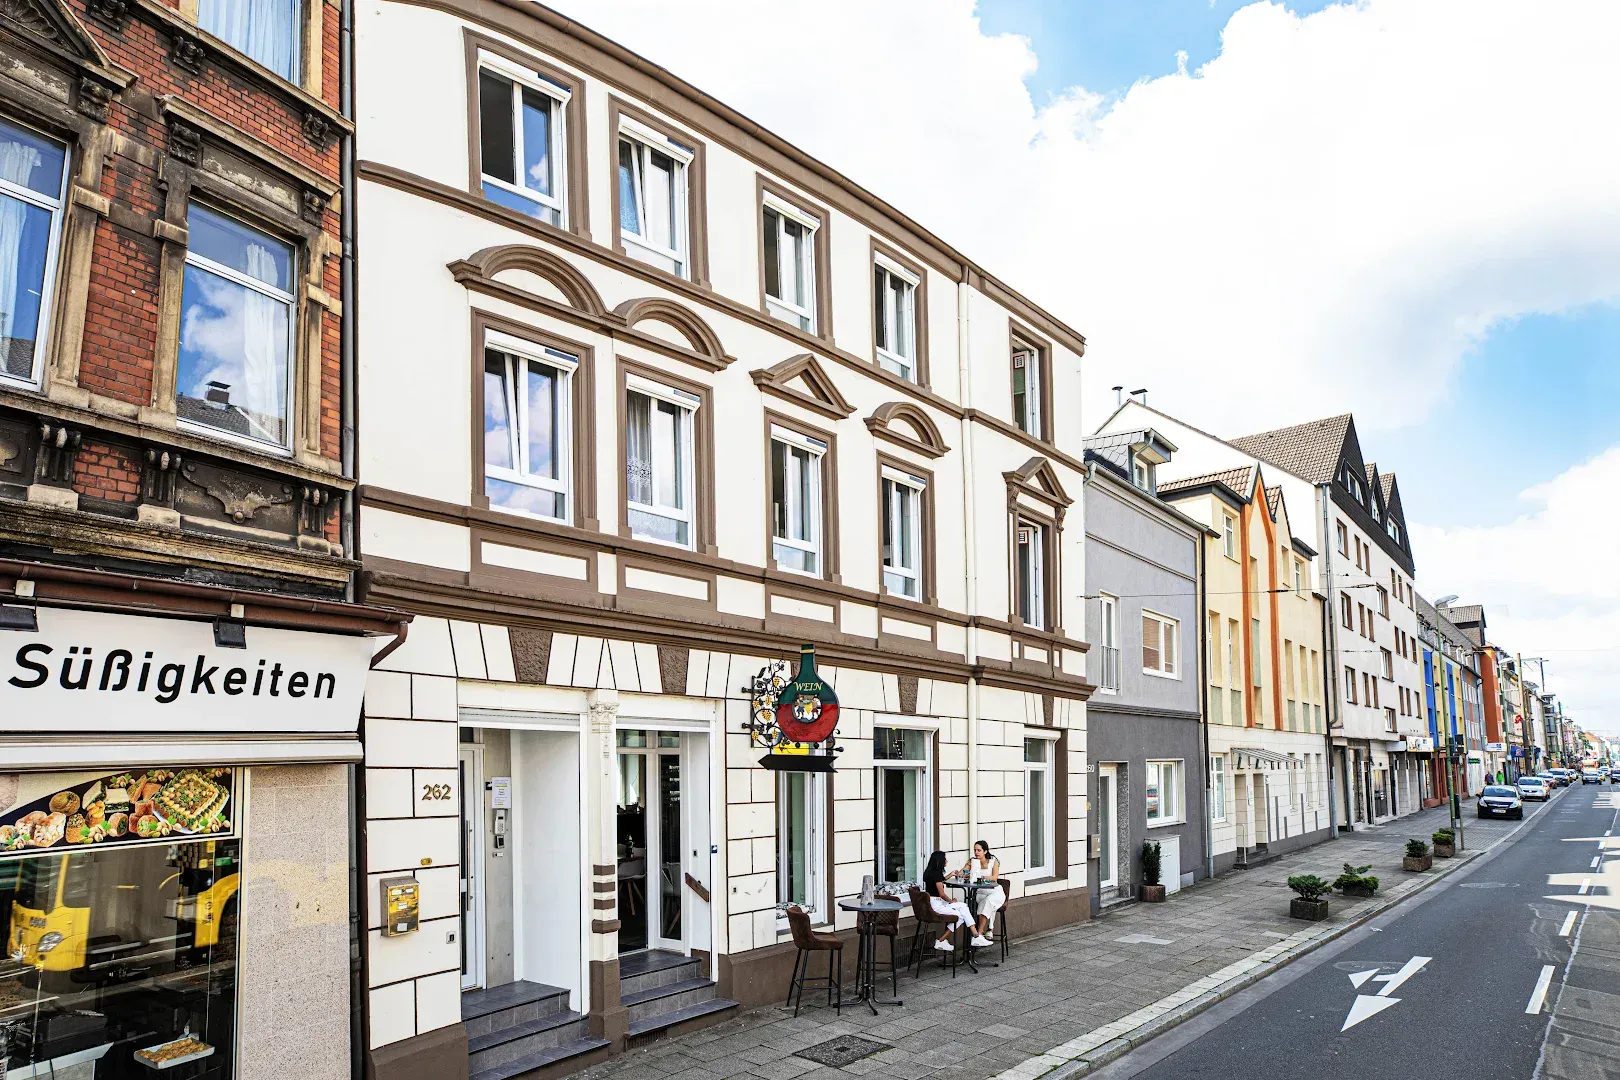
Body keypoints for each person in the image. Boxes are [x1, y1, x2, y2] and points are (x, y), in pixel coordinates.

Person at [923, 850, 980, 951]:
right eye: (945, 859)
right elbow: (942, 894)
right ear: (940, 861)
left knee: (962, 910)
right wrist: (950, 901)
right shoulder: (936, 874)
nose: (946, 861)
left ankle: (943, 940)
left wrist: (951, 874)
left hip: (933, 903)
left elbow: (939, 881)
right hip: (937, 905)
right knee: (962, 911)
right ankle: (975, 935)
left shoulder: (930, 872)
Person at [959, 840, 1004, 943]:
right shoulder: (973, 861)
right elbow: (961, 874)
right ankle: (986, 931)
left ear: (985, 851)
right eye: (975, 850)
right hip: (979, 892)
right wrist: (966, 872)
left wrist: (982, 877)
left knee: (988, 901)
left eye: (979, 850)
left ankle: (979, 933)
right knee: (986, 901)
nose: (976, 852)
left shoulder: (993, 861)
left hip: (994, 891)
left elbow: (994, 878)